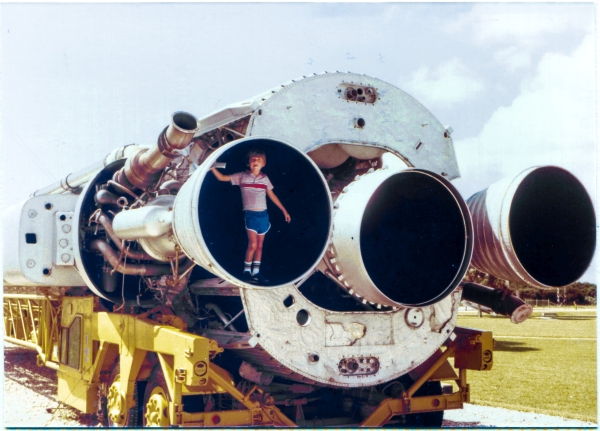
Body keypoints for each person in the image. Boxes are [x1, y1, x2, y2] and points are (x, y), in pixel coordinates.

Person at [211, 148, 291, 284]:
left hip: (264, 216)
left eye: (259, 160)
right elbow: (222, 177)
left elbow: (272, 195)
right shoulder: (242, 176)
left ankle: (256, 272)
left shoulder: (265, 178)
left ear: (263, 164)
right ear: (248, 163)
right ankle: (246, 272)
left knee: (260, 246)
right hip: (251, 216)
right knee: (252, 245)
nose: (255, 161)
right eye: (253, 159)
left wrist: (284, 211)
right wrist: (211, 167)